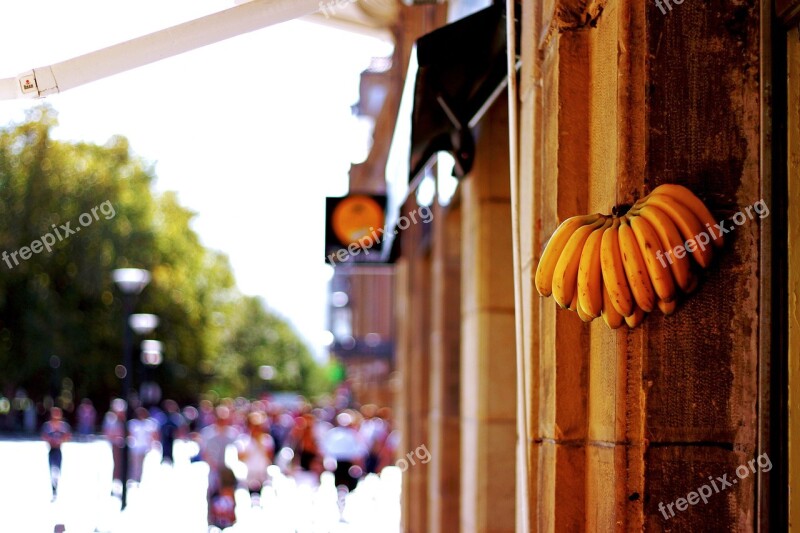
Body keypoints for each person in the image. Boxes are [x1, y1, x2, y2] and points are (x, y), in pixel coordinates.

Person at [200, 405, 239, 527]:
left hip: (228, 473)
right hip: (214, 471)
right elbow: (205, 453)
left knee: (229, 495)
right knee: (212, 495)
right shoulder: (208, 434)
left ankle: (229, 520)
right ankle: (212, 521)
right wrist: (215, 467)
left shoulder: (232, 434)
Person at [236, 411, 275, 500]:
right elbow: (240, 457)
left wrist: (259, 443)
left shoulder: (267, 440)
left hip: (262, 474)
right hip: (248, 475)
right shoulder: (243, 440)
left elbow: (270, 457)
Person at [41, 407, 72, 499]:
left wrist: (61, 440)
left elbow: (68, 436)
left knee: (57, 470)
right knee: (52, 469)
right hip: (51, 450)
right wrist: (51, 441)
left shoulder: (63, 426)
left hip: (58, 451)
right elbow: (44, 436)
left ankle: (56, 485)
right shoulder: (48, 425)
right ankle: (53, 488)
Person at [127, 407, 158, 484]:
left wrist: (152, 444)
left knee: (140, 464)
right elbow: (129, 434)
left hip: (143, 447)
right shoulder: (133, 423)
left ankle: (138, 479)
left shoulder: (149, 423)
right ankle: (131, 477)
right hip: (134, 447)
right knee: (133, 463)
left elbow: (153, 435)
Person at [102, 399, 127, 493]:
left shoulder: (125, 418)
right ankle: (116, 483)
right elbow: (107, 432)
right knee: (117, 464)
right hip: (115, 444)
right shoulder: (110, 418)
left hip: (125, 444)